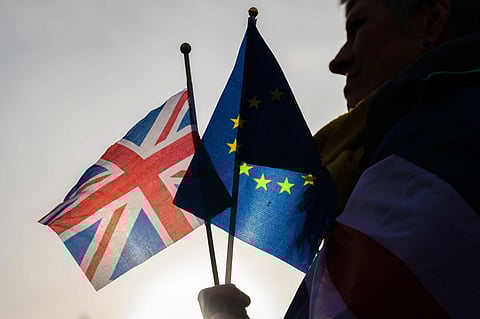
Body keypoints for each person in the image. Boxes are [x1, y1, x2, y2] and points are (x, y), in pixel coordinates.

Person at [198, 0, 480, 317]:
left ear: (432, 19)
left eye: (357, 26)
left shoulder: (449, 137)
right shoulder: (383, 164)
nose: (339, 62)